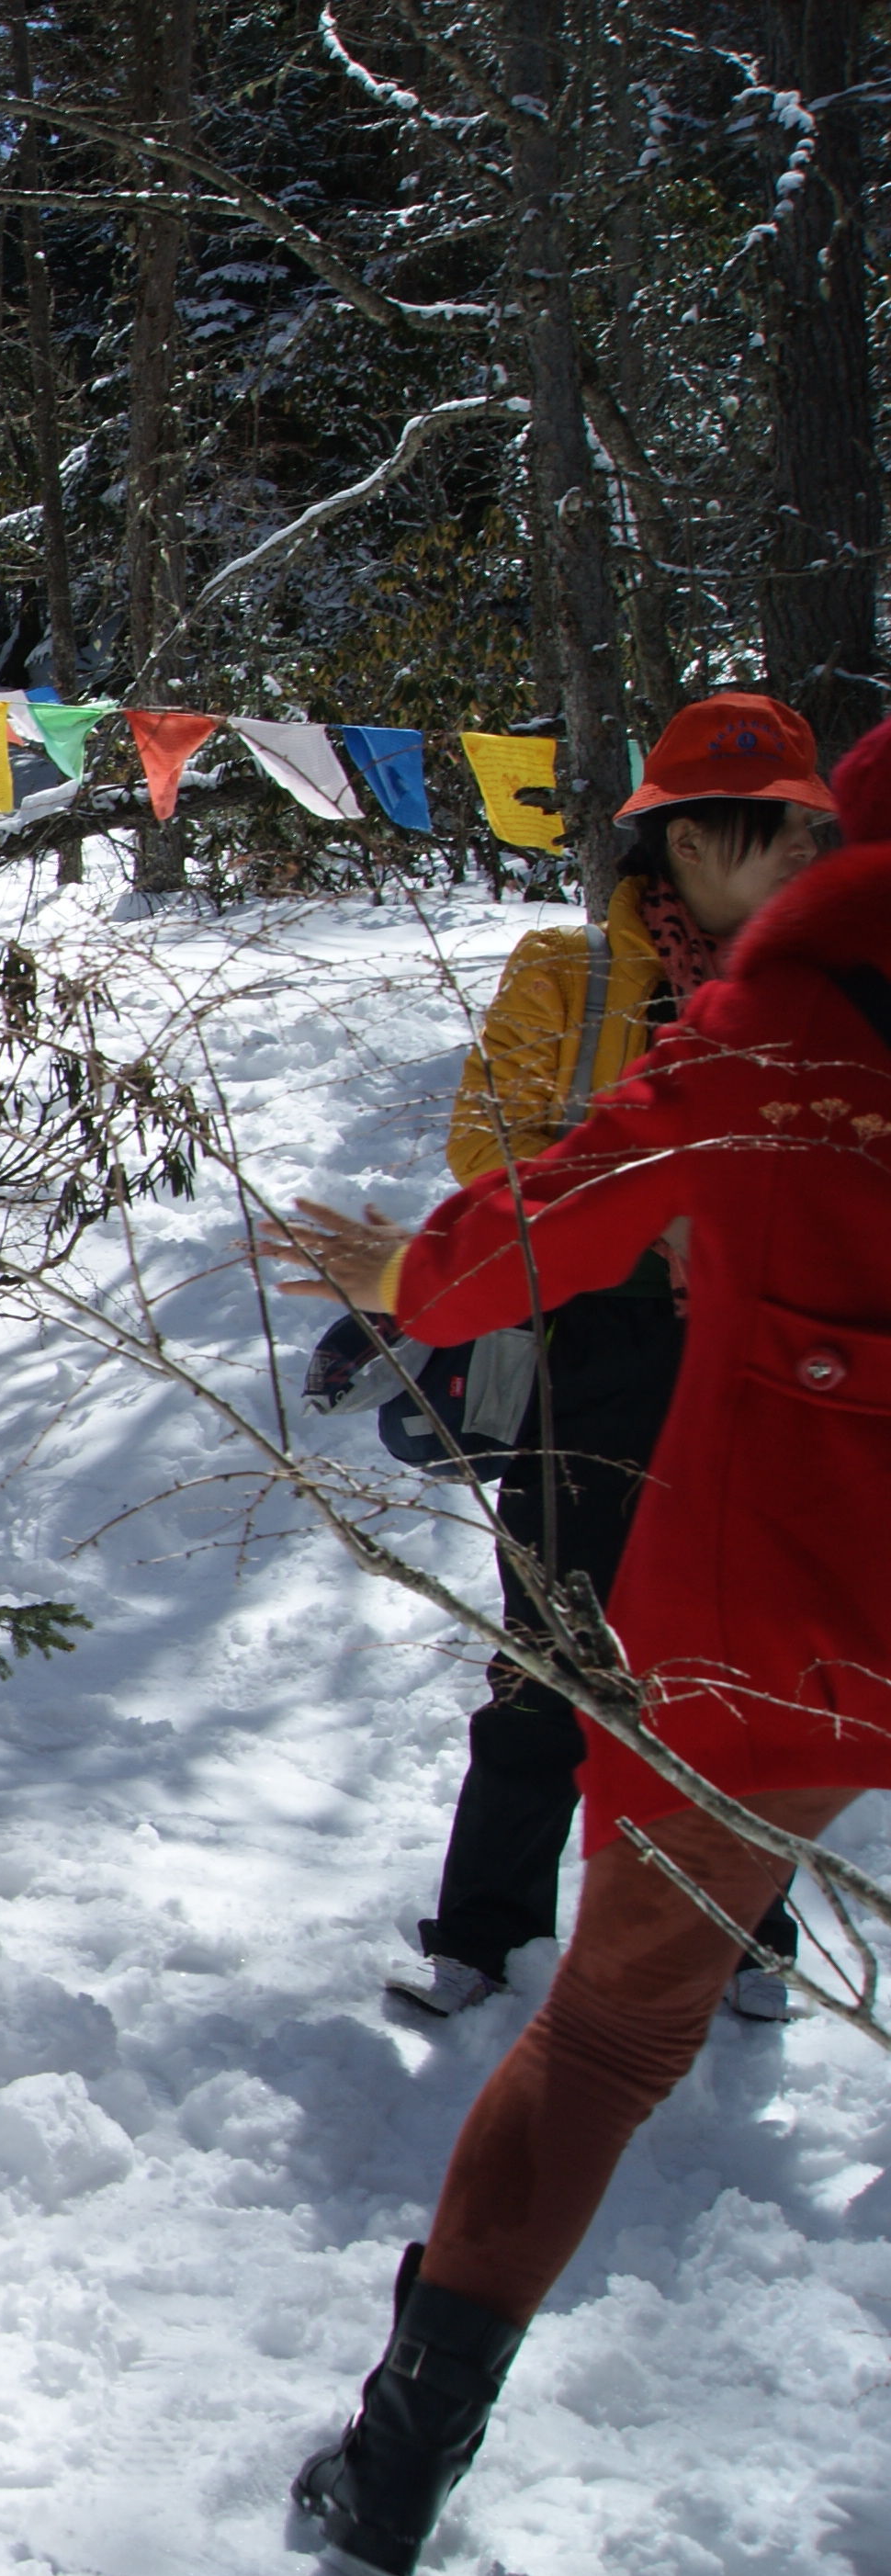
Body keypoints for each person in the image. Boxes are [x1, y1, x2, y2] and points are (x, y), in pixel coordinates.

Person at [254, 716, 891, 2576]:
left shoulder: (767, 1031)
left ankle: (391, 2471)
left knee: (610, 2030)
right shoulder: (625, 979)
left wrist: (396, 1277)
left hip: (776, 1590)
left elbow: (539, 1224)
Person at [384, 693, 840, 2022]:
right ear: (689, 840)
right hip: (601, 1346)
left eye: (816, 831)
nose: (807, 857)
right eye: (782, 834)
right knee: (554, 1643)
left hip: (767, 1364)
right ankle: (484, 1932)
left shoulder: (832, 991)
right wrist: (656, 1221)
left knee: (747, 1670)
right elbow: (488, 1153)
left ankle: (747, 1940)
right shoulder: (568, 975)